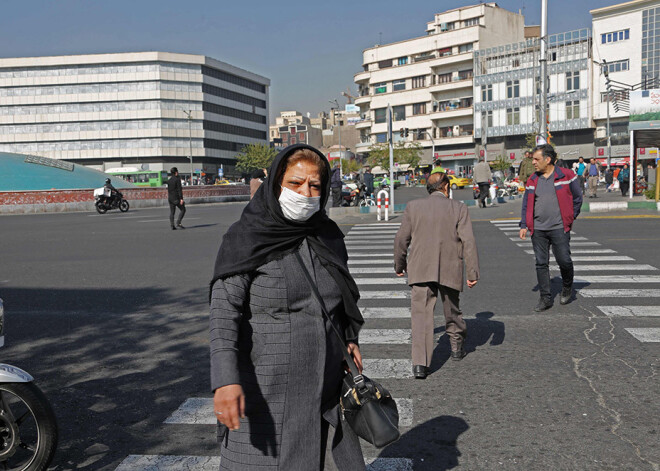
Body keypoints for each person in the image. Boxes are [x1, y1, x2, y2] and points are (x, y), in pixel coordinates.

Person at [209, 144, 365, 470]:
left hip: (325, 386)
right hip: (268, 390)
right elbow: (225, 312)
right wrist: (225, 379)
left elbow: (342, 298)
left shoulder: (327, 235)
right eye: (295, 183)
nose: (304, 193)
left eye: (314, 185)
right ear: (276, 182)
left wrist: (349, 339)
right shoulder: (246, 238)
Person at [394, 172, 479, 378]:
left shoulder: (413, 207)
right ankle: (456, 346)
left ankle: (420, 365)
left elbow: (401, 239)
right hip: (450, 266)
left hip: (420, 268)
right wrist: (472, 271)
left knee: (421, 316)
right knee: (452, 309)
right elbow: (468, 241)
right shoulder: (459, 208)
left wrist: (400, 264)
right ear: (446, 187)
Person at [519, 144, 583, 311]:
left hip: (559, 227)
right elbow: (526, 203)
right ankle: (545, 298)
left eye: (536, 159)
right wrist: (524, 224)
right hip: (538, 229)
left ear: (547, 160)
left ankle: (567, 287)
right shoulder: (533, 179)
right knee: (541, 263)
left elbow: (578, 198)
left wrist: (570, 217)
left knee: (564, 260)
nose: (533, 162)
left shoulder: (567, 175)